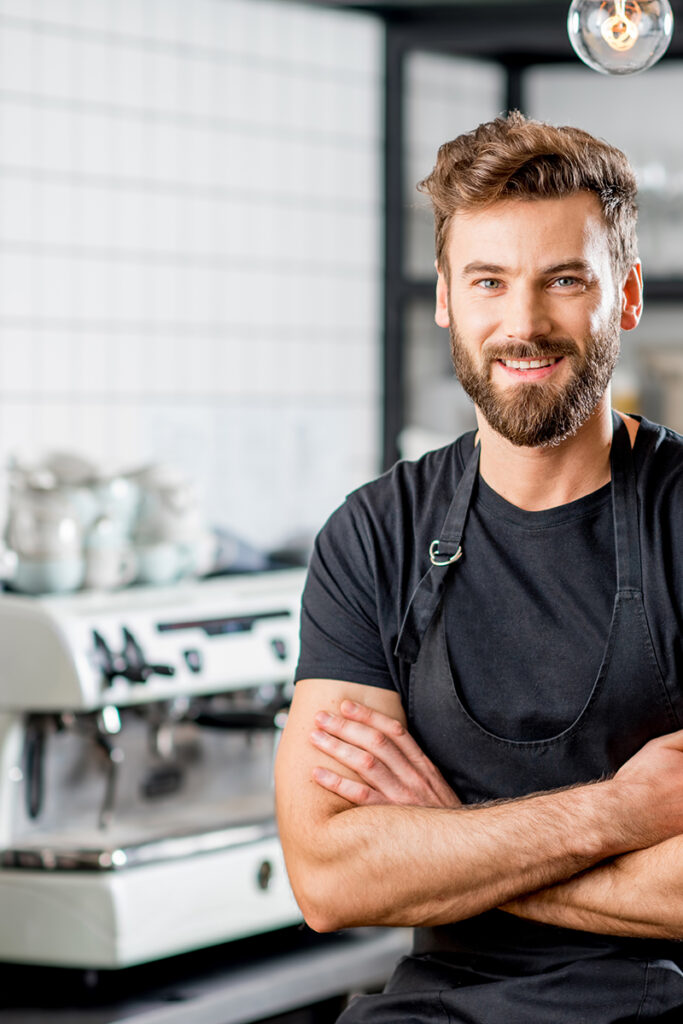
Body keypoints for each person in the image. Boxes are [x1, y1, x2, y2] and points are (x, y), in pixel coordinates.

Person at [274, 111, 683, 1022]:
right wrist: (620, 817)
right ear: (447, 300)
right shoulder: (373, 536)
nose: (523, 324)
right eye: (488, 281)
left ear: (625, 296)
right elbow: (329, 878)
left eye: (564, 280)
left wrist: (440, 842)